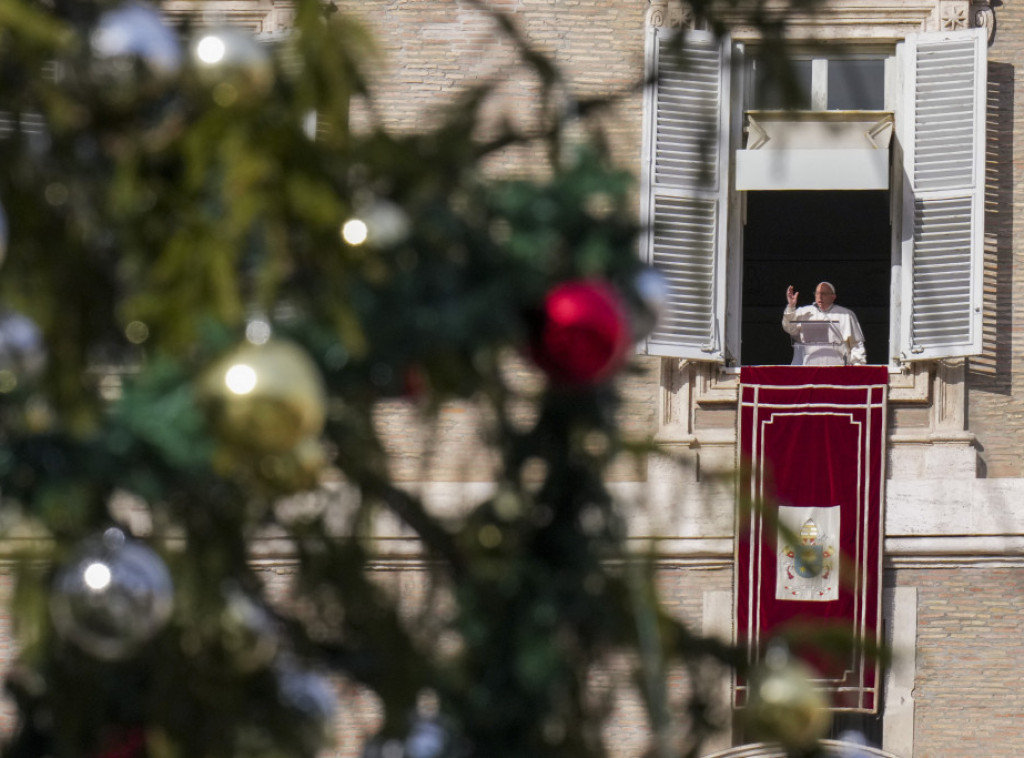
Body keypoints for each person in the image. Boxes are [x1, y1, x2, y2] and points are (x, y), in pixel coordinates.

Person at [782, 282, 866, 365]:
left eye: (824, 294)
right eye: (817, 293)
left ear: (833, 297)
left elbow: (856, 344)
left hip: (838, 367)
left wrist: (858, 367)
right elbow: (789, 328)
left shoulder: (846, 315)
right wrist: (791, 307)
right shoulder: (804, 312)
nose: (820, 297)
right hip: (810, 367)